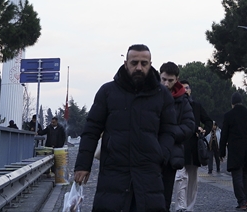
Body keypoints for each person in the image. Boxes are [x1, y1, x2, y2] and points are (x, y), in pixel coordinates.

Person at [73, 44, 178, 212]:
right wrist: (82, 165)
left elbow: (169, 130)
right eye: (134, 62)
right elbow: (91, 129)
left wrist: (161, 153)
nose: (139, 67)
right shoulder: (107, 91)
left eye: (144, 63)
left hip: (148, 172)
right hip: (114, 172)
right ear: (125, 63)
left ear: (150, 64)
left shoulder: (162, 95)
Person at [159, 62, 196, 211]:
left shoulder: (182, 101)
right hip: (149, 152)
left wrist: (171, 133)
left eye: (170, 80)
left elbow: (189, 125)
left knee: (165, 197)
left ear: (177, 79)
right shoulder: (150, 94)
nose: (166, 84)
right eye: (163, 79)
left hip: (170, 155)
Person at [175, 80, 212, 212]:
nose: (185, 90)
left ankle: (189, 208)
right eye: (183, 88)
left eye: (187, 88)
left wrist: (204, 130)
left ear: (190, 90)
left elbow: (208, 121)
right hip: (180, 146)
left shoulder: (196, 106)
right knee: (180, 177)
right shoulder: (175, 105)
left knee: (192, 181)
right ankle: (181, 206)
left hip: (194, 148)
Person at [220, 93, 247, 210]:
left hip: (235, 151)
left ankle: (241, 201)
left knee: (237, 176)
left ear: (232, 103)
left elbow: (224, 135)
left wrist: (221, 152)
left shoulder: (228, 115)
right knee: (246, 174)